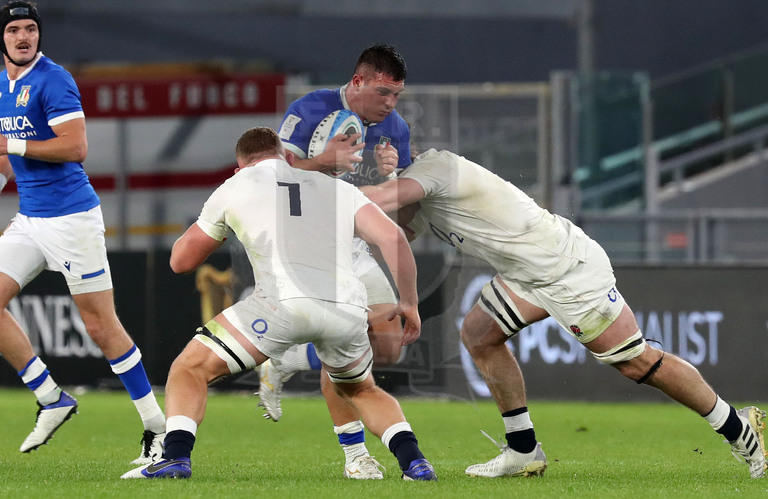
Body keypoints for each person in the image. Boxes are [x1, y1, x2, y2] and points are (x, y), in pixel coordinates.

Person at [360, 147, 767, 479]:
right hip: (526, 274)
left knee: (635, 361)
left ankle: (738, 426)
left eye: (385, 150)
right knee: (479, 334)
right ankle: (523, 450)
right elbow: (394, 224)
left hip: (565, 270)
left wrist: (323, 188)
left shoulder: (436, 168)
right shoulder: (419, 197)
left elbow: (379, 202)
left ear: (400, 154)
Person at [121, 127, 436, 481]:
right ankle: (415, 462)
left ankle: (176, 458)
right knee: (361, 389)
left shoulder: (235, 186)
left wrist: (221, 223)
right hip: (347, 309)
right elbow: (392, 237)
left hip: (281, 305)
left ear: (240, 168)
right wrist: (409, 302)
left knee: (189, 368)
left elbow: (181, 261)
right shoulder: (338, 188)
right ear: (287, 158)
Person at [0, 1, 165, 464]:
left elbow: (75, 147)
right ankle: (52, 397)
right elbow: (14, 140)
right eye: (15, 29)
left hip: (72, 218)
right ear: (2, 38)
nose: (24, 36)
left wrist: (9, 144)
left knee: (101, 326)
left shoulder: (54, 78)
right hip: (31, 219)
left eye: (31, 29)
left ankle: (157, 428)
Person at [257, 43, 411, 479]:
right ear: (358, 81)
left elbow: (401, 204)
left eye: (397, 95)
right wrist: (322, 161)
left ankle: (288, 360)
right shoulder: (310, 109)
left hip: (356, 250)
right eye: (383, 92)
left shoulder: (394, 128)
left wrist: (394, 174)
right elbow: (270, 176)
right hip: (308, 250)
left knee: (388, 347)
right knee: (342, 348)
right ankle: (355, 456)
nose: (390, 104)